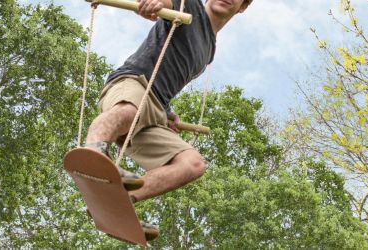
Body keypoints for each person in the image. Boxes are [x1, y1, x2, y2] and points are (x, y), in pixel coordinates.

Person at [84, 0, 252, 239]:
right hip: (133, 83)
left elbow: (169, 72)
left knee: (193, 164)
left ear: (243, 7)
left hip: (155, 109)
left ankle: (118, 202)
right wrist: (153, 4)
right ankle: (94, 152)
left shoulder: (209, 49)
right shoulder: (189, 6)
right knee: (130, 111)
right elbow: (164, 2)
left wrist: (167, 112)